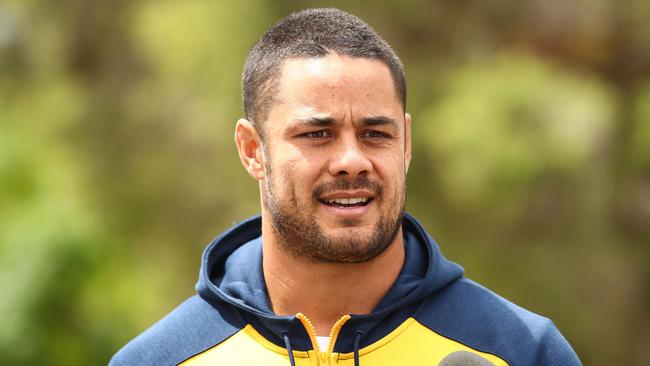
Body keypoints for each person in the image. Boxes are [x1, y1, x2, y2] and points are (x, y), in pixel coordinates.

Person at [110, 8, 581, 366]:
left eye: (376, 134)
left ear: (407, 145)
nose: (353, 161)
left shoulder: (519, 350)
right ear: (253, 150)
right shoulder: (160, 359)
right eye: (317, 134)